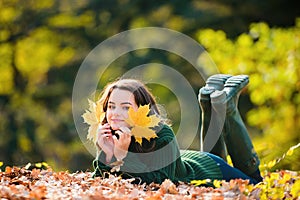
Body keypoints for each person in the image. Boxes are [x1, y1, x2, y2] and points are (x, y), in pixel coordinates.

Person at [92, 76, 263, 185]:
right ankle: (208, 104)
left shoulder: (163, 134)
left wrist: (122, 155)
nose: (115, 114)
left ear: (143, 109)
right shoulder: (112, 134)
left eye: (125, 107)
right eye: (111, 106)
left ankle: (228, 106)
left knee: (256, 183)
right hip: (183, 159)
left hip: (206, 167)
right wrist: (106, 154)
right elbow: (99, 181)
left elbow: (160, 183)